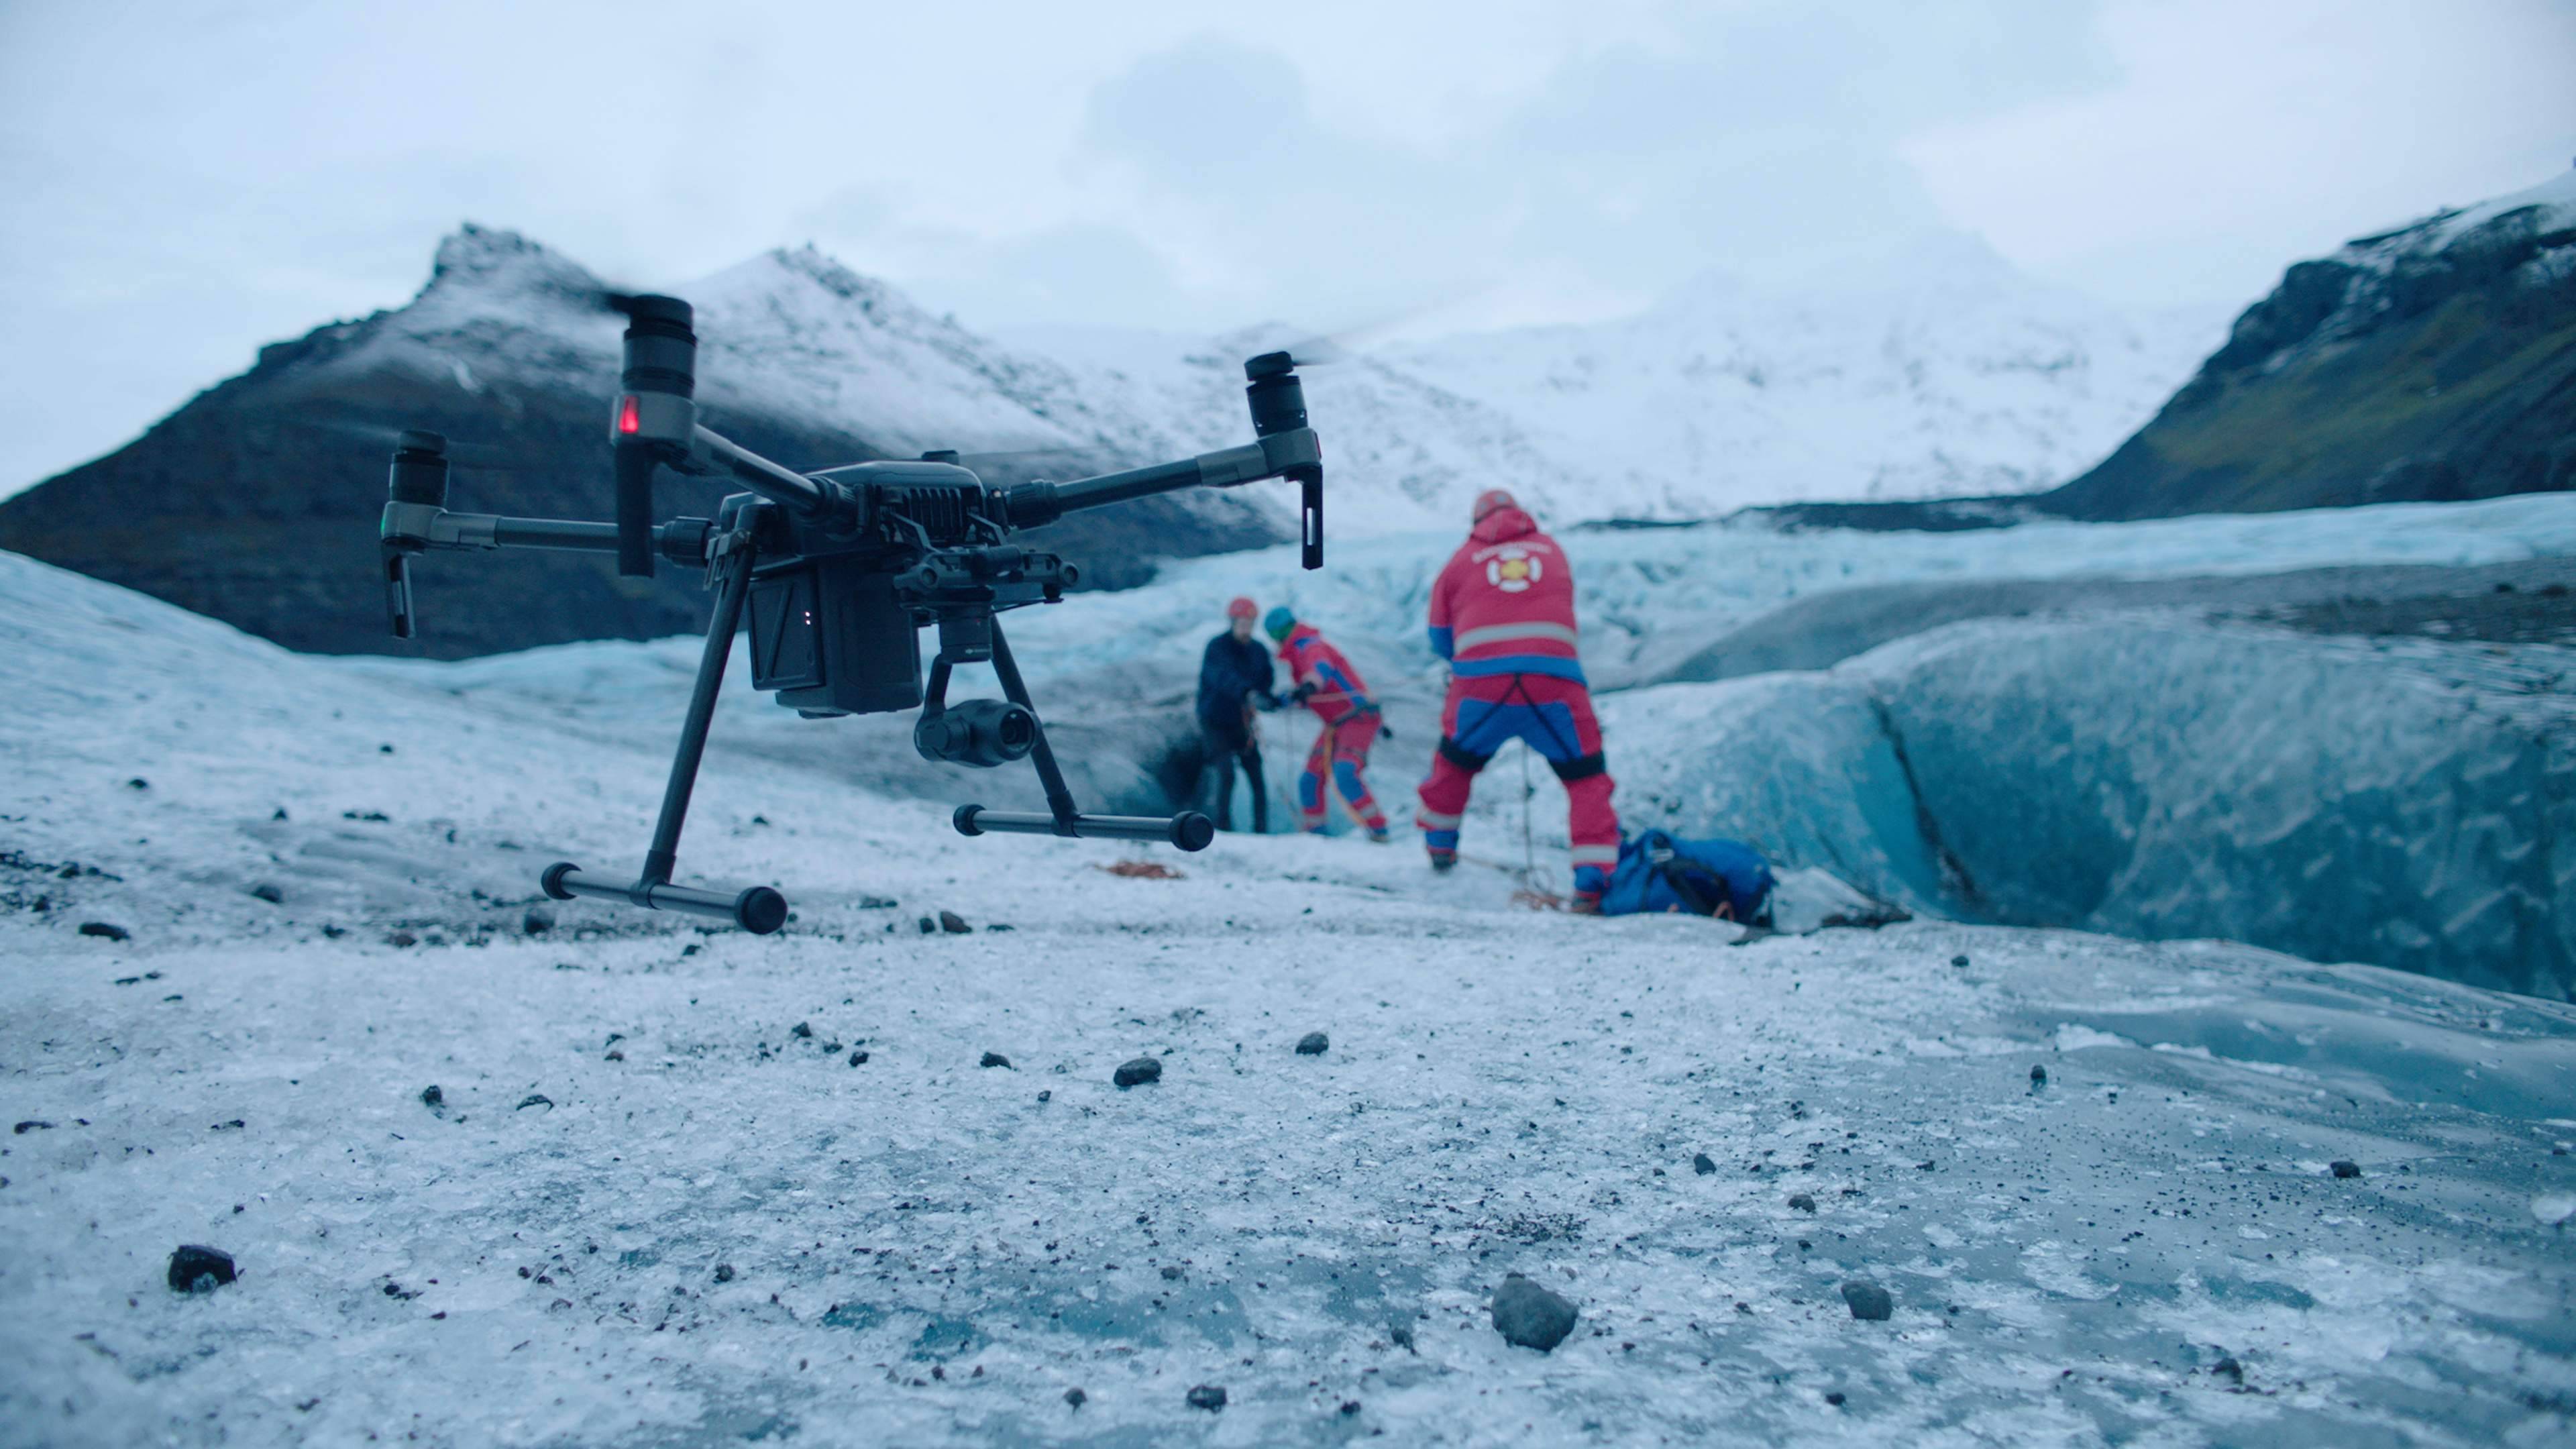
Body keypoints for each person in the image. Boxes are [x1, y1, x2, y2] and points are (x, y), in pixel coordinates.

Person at [1415, 488, 1621, 910]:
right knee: (1585, 778)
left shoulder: (1459, 560)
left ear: (1475, 521)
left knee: (1454, 764)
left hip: (1479, 687)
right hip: (1555, 684)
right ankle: (1591, 883)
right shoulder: (1552, 551)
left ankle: (1440, 848)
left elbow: (1438, 635)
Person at [1265, 605, 1392, 841]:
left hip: (1358, 717)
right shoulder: (1299, 653)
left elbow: (1320, 669)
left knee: (1345, 772)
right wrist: (1282, 700)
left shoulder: (1309, 646)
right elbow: (1311, 691)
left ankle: (1379, 831)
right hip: (1338, 724)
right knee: (1310, 780)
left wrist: (1309, 686)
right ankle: (1317, 837)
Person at [1195, 596, 1277, 833]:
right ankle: (1223, 828)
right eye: (1242, 623)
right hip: (1215, 721)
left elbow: (1265, 680)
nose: (1246, 628)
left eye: (1250, 624)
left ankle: (1261, 830)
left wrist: (1268, 697)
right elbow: (1221, 678)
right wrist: (1248, 694)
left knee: (1256, 776)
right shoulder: (1217, 647)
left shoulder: (1258, 651)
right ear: (1232, 622)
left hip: (1242, 723)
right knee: (1226, 773)